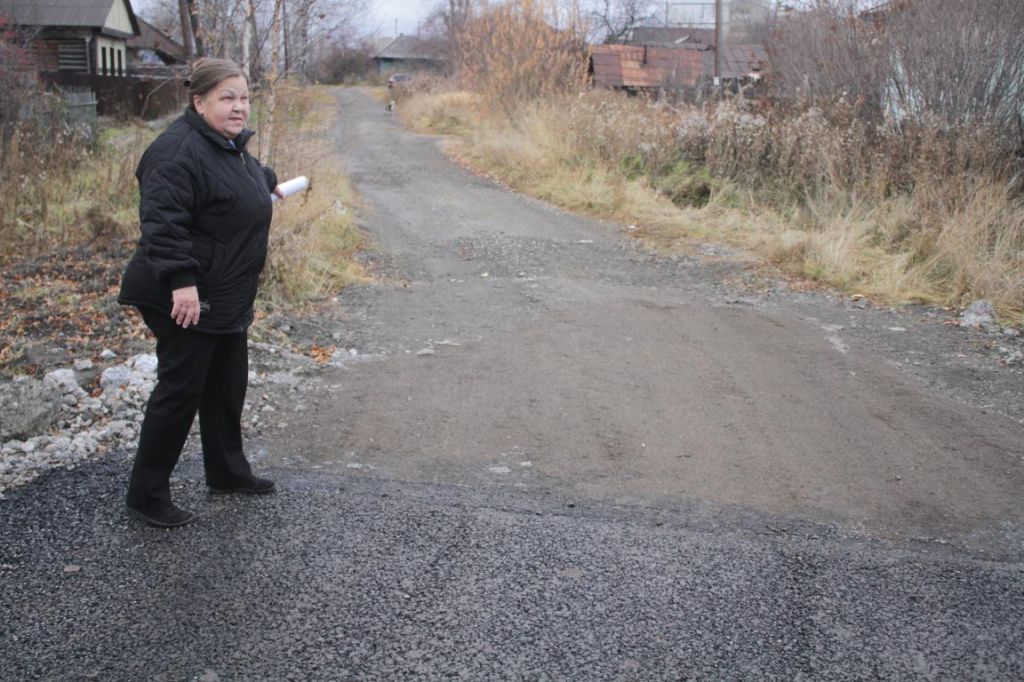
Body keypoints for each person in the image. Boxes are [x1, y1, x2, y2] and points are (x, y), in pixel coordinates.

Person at [118, 58, 284, 528]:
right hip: (182, 292)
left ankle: (227, 471)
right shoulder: (175, 152)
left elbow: (232, 180)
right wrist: (182, 284)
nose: (239, 107)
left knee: (226, 384)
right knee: (180, 391)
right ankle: (146, 494)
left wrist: (266, 183)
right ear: (199, 102)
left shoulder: (226, 145)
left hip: (224, 290)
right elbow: (162, 224)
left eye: (244, 97)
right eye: (227, 98)